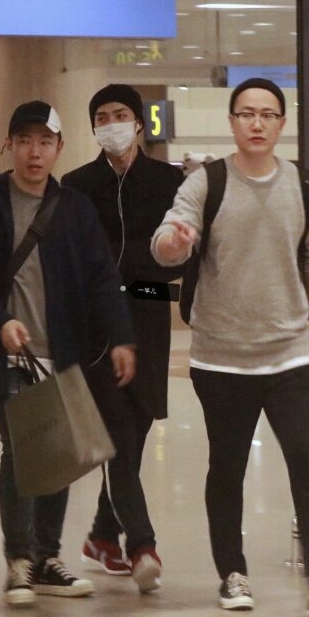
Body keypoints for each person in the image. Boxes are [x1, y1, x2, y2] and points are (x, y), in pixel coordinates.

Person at [151, 78, 309, 617]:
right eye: (246, 113)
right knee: (226, 468)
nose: (256, 123)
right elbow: (167, 241)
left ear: (281, 123)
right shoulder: (207, 182)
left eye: (267, 114)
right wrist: (174, 242)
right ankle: (232, 573)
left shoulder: (304, 185)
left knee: (308, 462)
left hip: (289, 352)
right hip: (221, 357)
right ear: (232, 122)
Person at [0, 100, 135, 607]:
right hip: (7, 352)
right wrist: (1, 320)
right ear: (8, 145)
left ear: (59, 147)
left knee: (58, 453)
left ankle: (45, 557)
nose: (34, 152)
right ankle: (19, 559)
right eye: (25, 141)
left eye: (44, 142)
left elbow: (103, 279)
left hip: (62, 351)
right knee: (19, 451)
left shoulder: (74, 209)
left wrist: (121, 336)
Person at [62, 84, 184, 589]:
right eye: (102, 117)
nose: (111, 124)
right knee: (118, 436)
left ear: (138, 122)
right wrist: (138, 257)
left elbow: (176, 262)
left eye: (120, 114)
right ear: (94, 126)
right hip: (97, 328)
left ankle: (100, 536)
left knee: (135, 433)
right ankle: (142, 545)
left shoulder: (169, 180)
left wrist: (128, 266)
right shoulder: (76, 185)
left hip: (149, 318)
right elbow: (79, 257)